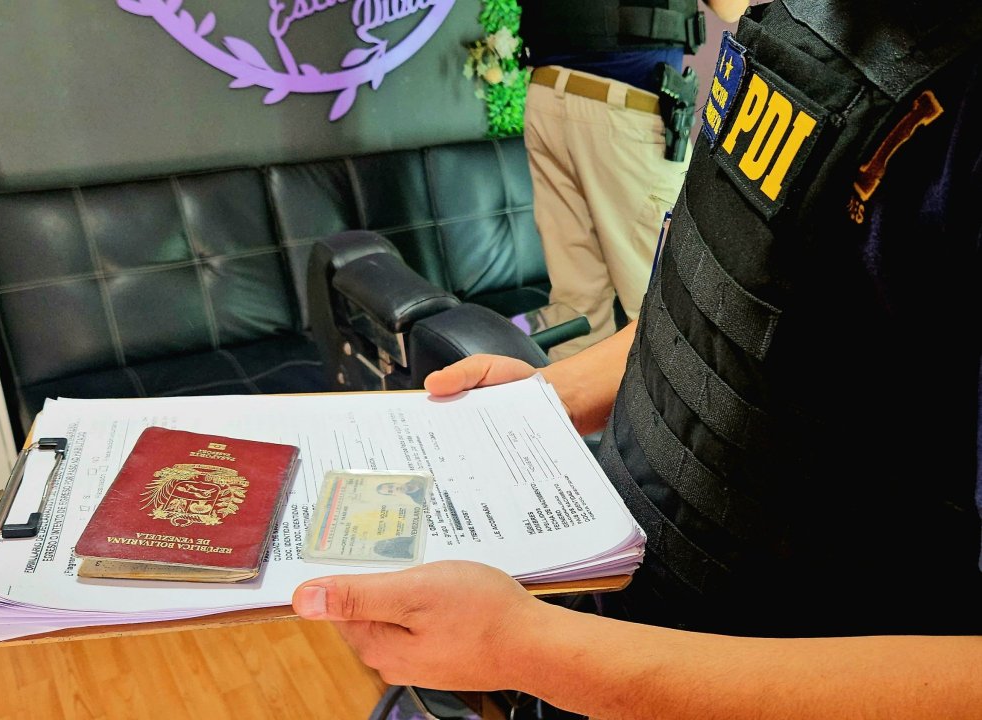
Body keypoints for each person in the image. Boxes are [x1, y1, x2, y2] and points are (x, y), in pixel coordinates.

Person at [292, 1, 982, 716]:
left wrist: (530, 649)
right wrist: (546, 403)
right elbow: (729, 296)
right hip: (627, 619)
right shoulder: (806, 25)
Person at [520, 0, 749, 360]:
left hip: (546, 96)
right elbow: (731, 7)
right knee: (670, 304)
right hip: (621, 111)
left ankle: (570, 397)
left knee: (576, 304)